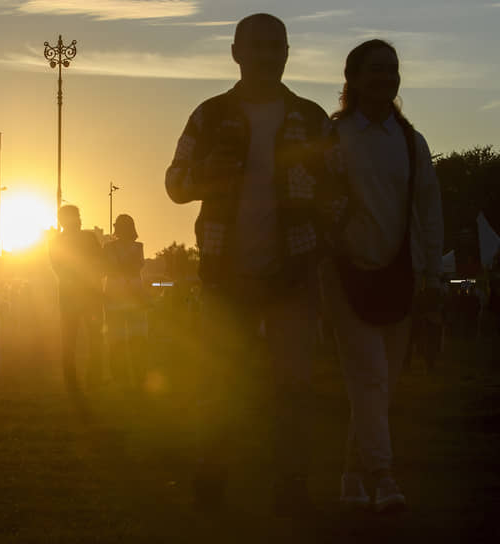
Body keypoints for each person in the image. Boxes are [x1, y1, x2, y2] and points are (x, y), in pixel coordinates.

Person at [165, 13, 346, 514]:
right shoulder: (208, 115)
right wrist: (205, 173)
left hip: (294, 273)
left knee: (294, 385)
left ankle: (290, 483)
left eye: (277, 46)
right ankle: (214, 475)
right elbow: (175, 184)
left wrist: (327, 243)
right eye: (258, 46)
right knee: (221, 381)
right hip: (225, 273)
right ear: (236, 53)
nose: (269, 55)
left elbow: (336, 192)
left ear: (287, 52)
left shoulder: (311, 119)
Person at [319, 39, 443, 513]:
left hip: (400, 275)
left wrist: (431, 273)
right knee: (370, 376)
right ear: (352, 78)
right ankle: (384, 477)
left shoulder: (411, 141)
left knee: (380, 383)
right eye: (376, 70)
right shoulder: (332, 137)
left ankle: (352, 474)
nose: (386, 79)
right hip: (344, 273)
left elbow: (428, 210)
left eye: (392, 70)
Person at [49, 205, 105, 393]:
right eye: (77, 216)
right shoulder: (87, 238)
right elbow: (100, 261)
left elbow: (58, 268)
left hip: (71, 295)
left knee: (71, 340)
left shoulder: (57, 241)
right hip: (88, 294)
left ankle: (73, 380)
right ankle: (92, 378)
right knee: (93, 338)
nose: (79, 219)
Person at [103, 214, 149, 392]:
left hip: (118, 296)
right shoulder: (138, 247)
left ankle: (122, 378)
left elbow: (110, 268)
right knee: (134, 339)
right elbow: (136, 267)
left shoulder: (109, 248)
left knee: (120, 340)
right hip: (132, 296)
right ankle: (135, 376)